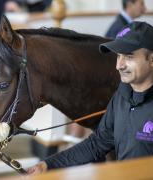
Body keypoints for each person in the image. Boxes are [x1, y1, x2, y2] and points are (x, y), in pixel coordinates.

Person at [27, 21, 153, 175]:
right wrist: (47, 165)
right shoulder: (122, 95)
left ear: (151, 59)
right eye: (118, 56)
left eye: (129, 56)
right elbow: (97, 143)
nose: (119, 65)